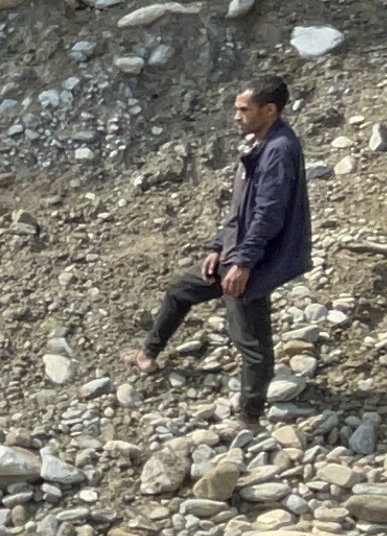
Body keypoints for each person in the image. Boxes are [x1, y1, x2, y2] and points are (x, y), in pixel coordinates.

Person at [120, 74, 312, 427]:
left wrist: (242, 262)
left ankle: (249, 418)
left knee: (252, 343)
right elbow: (240, 209)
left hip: (253, 263)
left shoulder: (279, 150)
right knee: (181, 288)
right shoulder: (260, 143)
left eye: (244, 109)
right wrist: (218, 246)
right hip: (234, 254)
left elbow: (269, 213)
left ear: (269, 110)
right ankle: (148, 353)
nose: (236, 116)